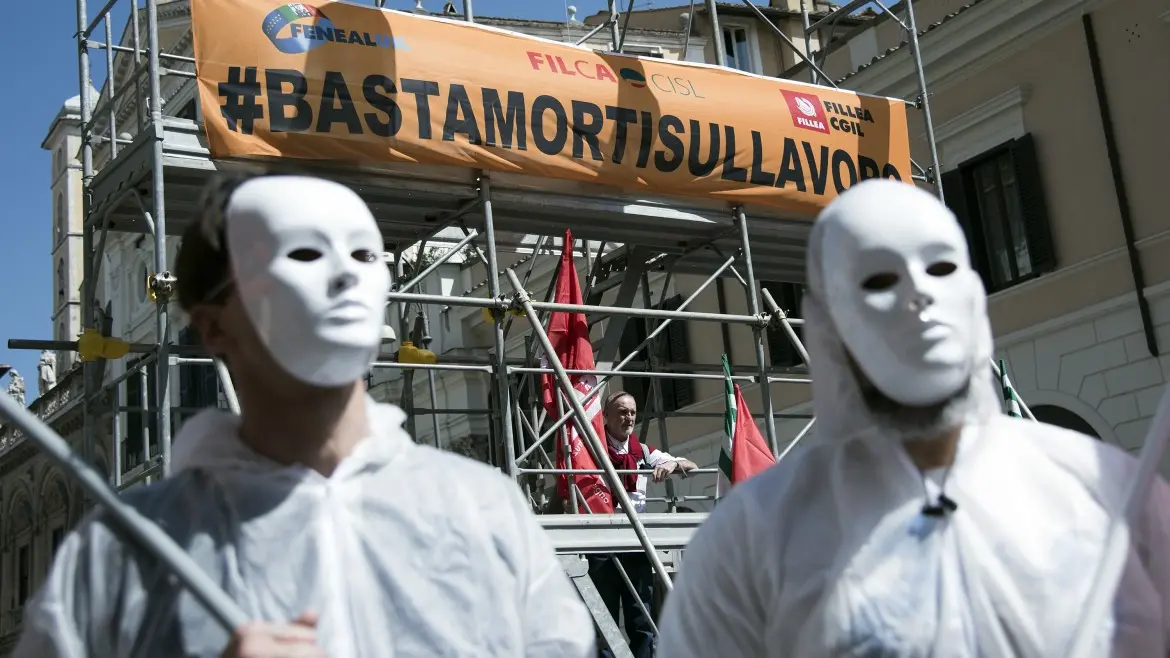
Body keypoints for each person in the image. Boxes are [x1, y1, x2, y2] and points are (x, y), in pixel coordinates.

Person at [14, 174, 596, 658]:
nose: (345, 274)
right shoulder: (118, 558)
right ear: (214, 322)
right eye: (305, 253)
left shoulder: (485, 509)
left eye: (365, 253)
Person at [657, 178, 1170, 656]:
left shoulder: (1107, 492)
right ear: (829, 326)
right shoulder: (748, 543)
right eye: (879, 278)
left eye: (940, 268)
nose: (919, 295)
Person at [588, 391, 696, 658]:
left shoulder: (643, 451)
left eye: (633, 412)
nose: (629, 418)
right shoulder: (592, 449)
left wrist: (671, 464)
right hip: (602, 543)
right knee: (605, 621)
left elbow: (690, 465)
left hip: (636, 543)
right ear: (606, 416)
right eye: (623, 412)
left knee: (642, 620)